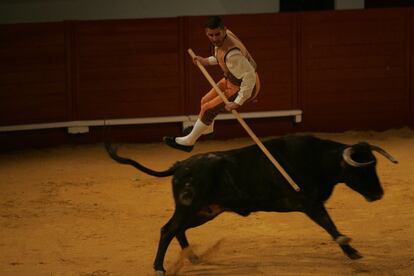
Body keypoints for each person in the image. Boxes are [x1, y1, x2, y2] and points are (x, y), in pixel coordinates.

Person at [164, 16, 261, 152]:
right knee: (205, 101)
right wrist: (206, 61)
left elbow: (249, 76)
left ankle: (188, 142)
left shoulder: (233, 53)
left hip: (244, 87)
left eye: (217, 34)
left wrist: (238, 101)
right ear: (206, 33)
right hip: (232, 80)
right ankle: (208, 129)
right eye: (211, 35)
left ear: (224, 30)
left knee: (208, 109)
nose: (214, 38)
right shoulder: (224, 41)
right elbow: (221, 58)